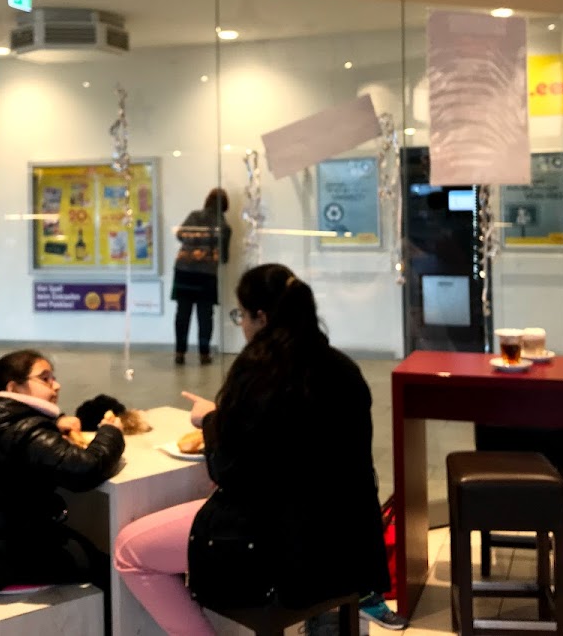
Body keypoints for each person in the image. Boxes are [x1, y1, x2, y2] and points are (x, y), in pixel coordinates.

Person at [114, 264, 404, 635]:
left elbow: (229, 470)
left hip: (274, 550)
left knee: (130, 551)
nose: (242, 326)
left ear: (261, 317)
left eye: (242, 316)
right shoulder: (342, 368)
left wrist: (212, 421)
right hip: (346, 548)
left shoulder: (261, 374)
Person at [0, 349, 124, 595]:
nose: (56, 385)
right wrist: (111, 433)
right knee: (112, 569)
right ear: (14, 387)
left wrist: (53, 424)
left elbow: (10, 448)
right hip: (9, 560)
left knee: (86, 545)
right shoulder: (24, 428)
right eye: (45, 378)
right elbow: (85, 470)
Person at [171, 187, 232, 365]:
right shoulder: (225, 226)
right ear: (225, 205)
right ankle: (204, 354)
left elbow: (180, 235)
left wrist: (193, 245)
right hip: (207, 274)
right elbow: (224, 257)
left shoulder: (194, 216)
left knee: (183, 313)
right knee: (205, 315)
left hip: (184, 271)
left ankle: (180, 352)